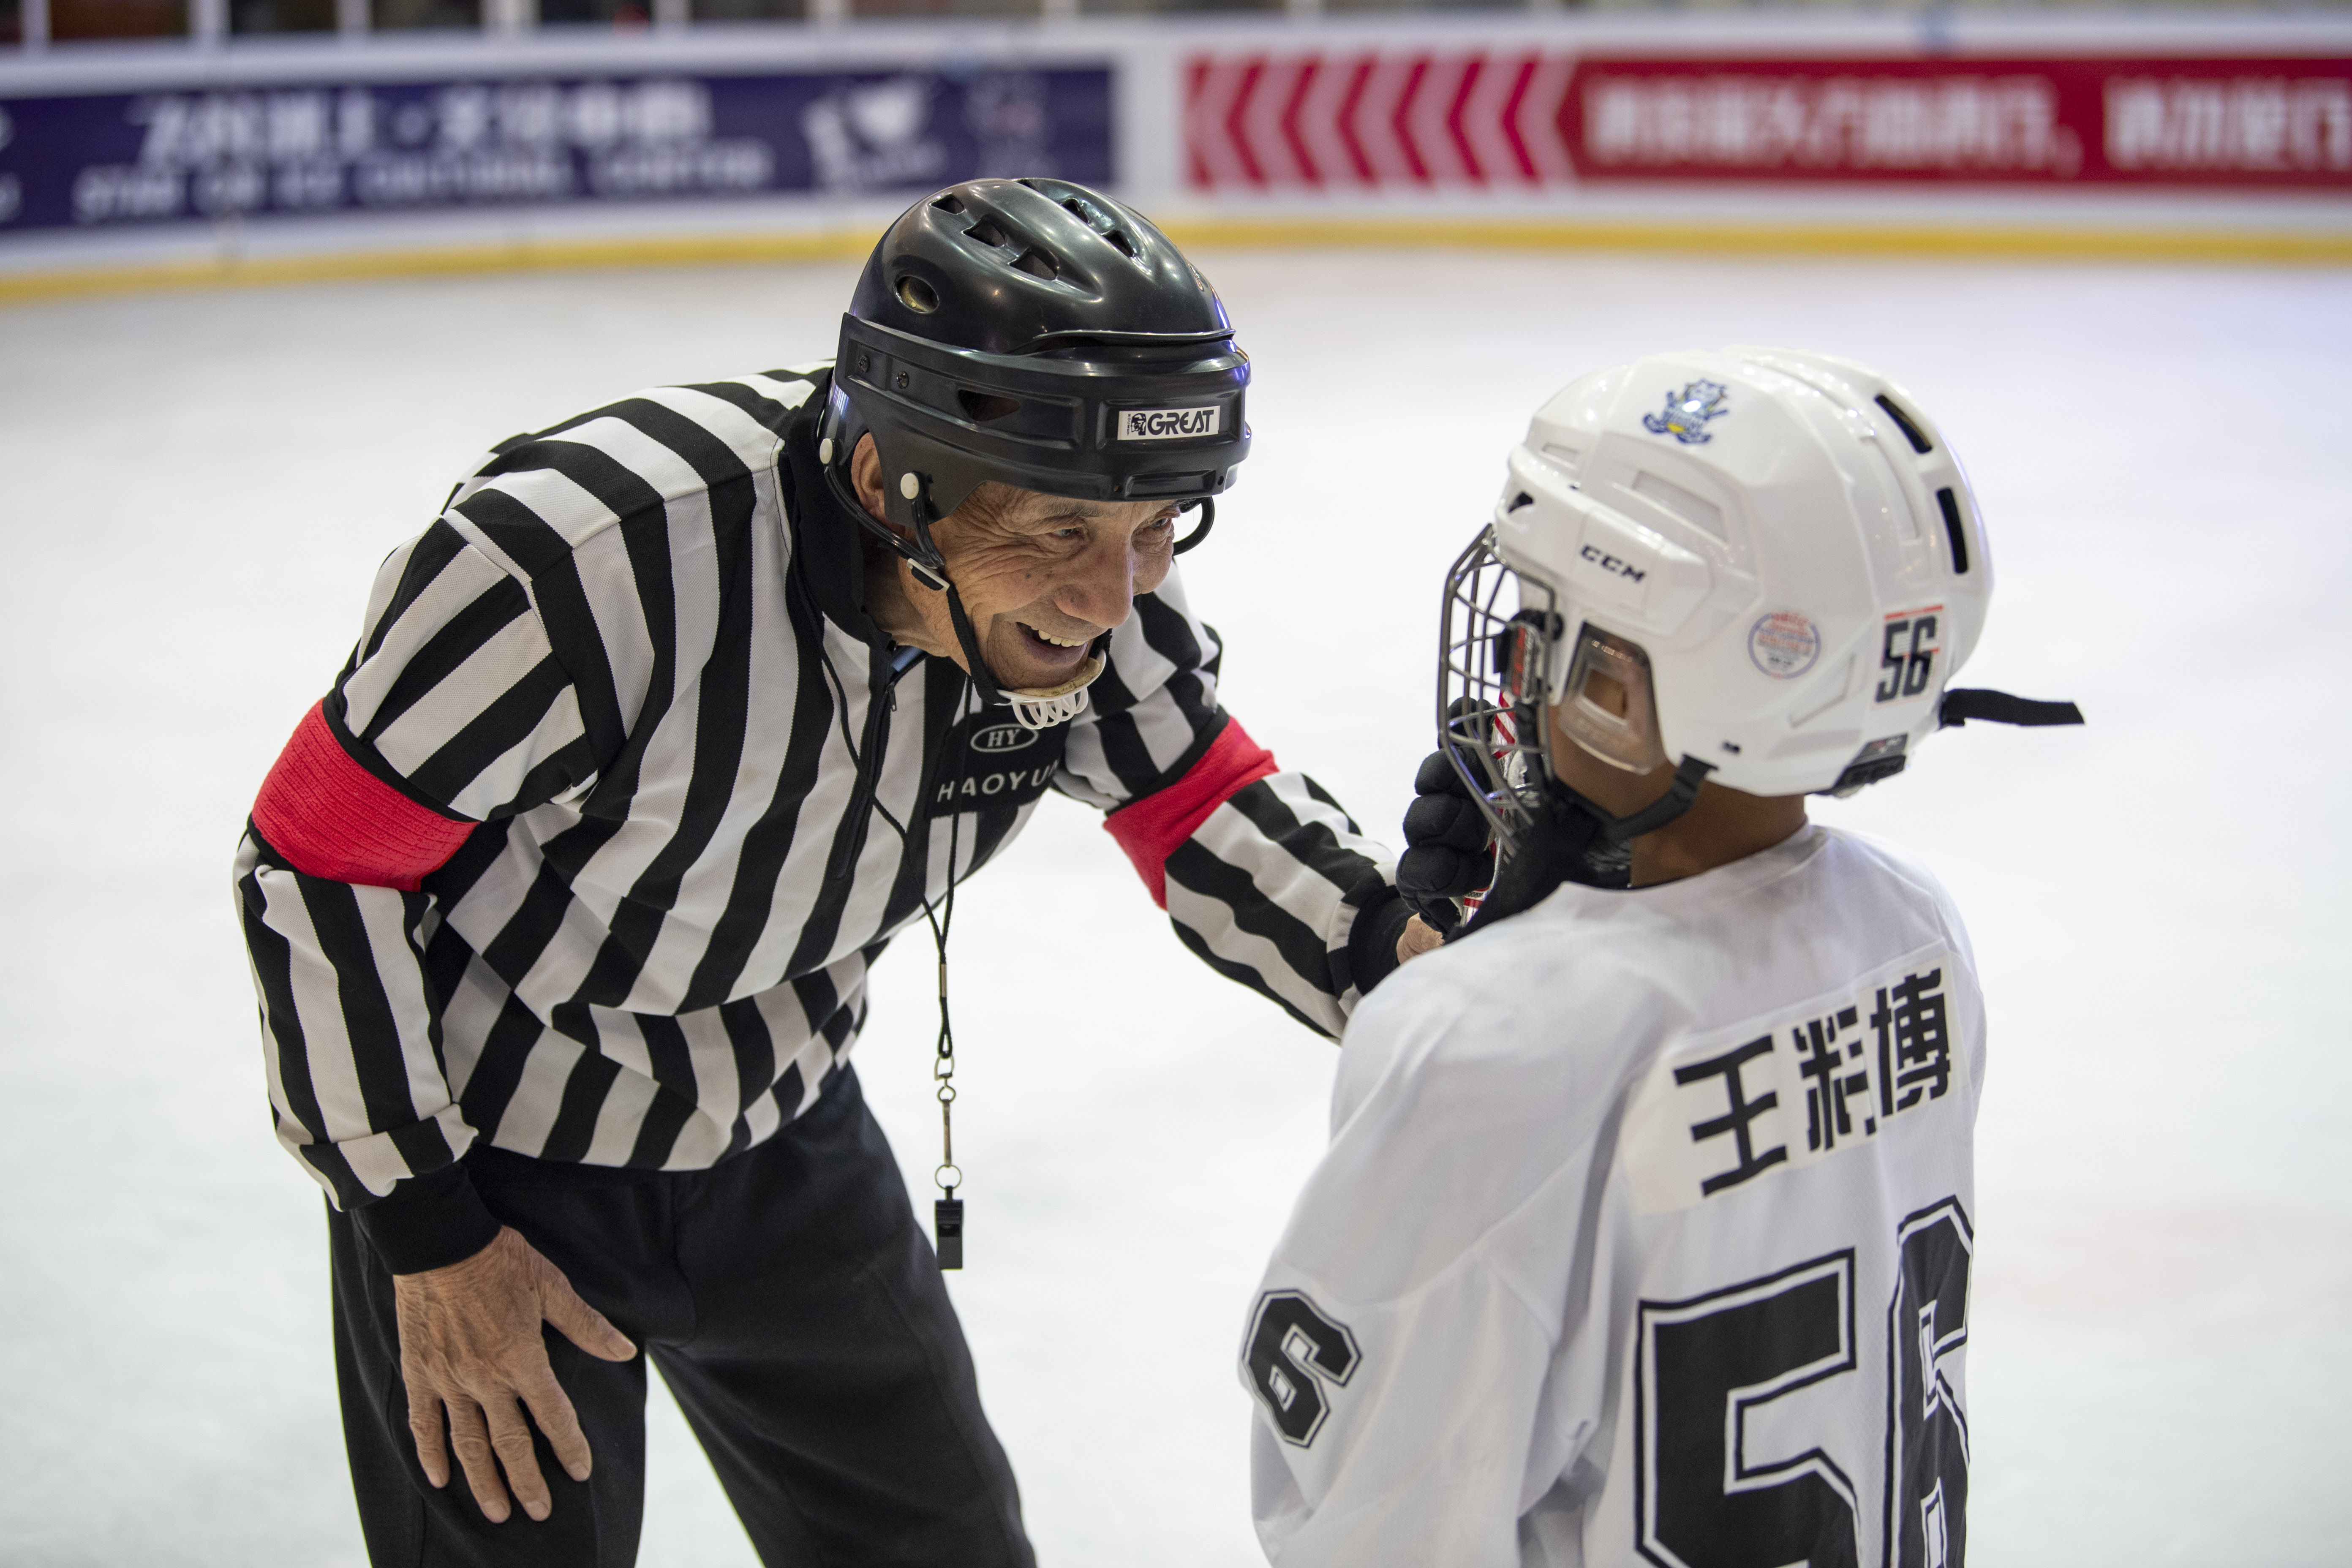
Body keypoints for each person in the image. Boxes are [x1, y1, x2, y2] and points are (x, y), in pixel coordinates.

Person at [233, 177, 1426, 1568]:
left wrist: (1409, 964)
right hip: (494, 1168)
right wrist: (428, 1239)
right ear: (884, 481)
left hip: (785, 1134)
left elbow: (1196, 799)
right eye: (1057, 535)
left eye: (1157, 527)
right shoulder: (579, 560)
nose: (1114, 601)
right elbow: (313, 865)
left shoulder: (1091, 574)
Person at [1242, 348, 2081, 1567]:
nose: (1514, 673)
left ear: (1635, 700)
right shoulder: (1914, 931)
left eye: (1545, 631)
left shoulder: (1489, 1044)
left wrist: (1463, 1001)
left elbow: (1372, 1524)